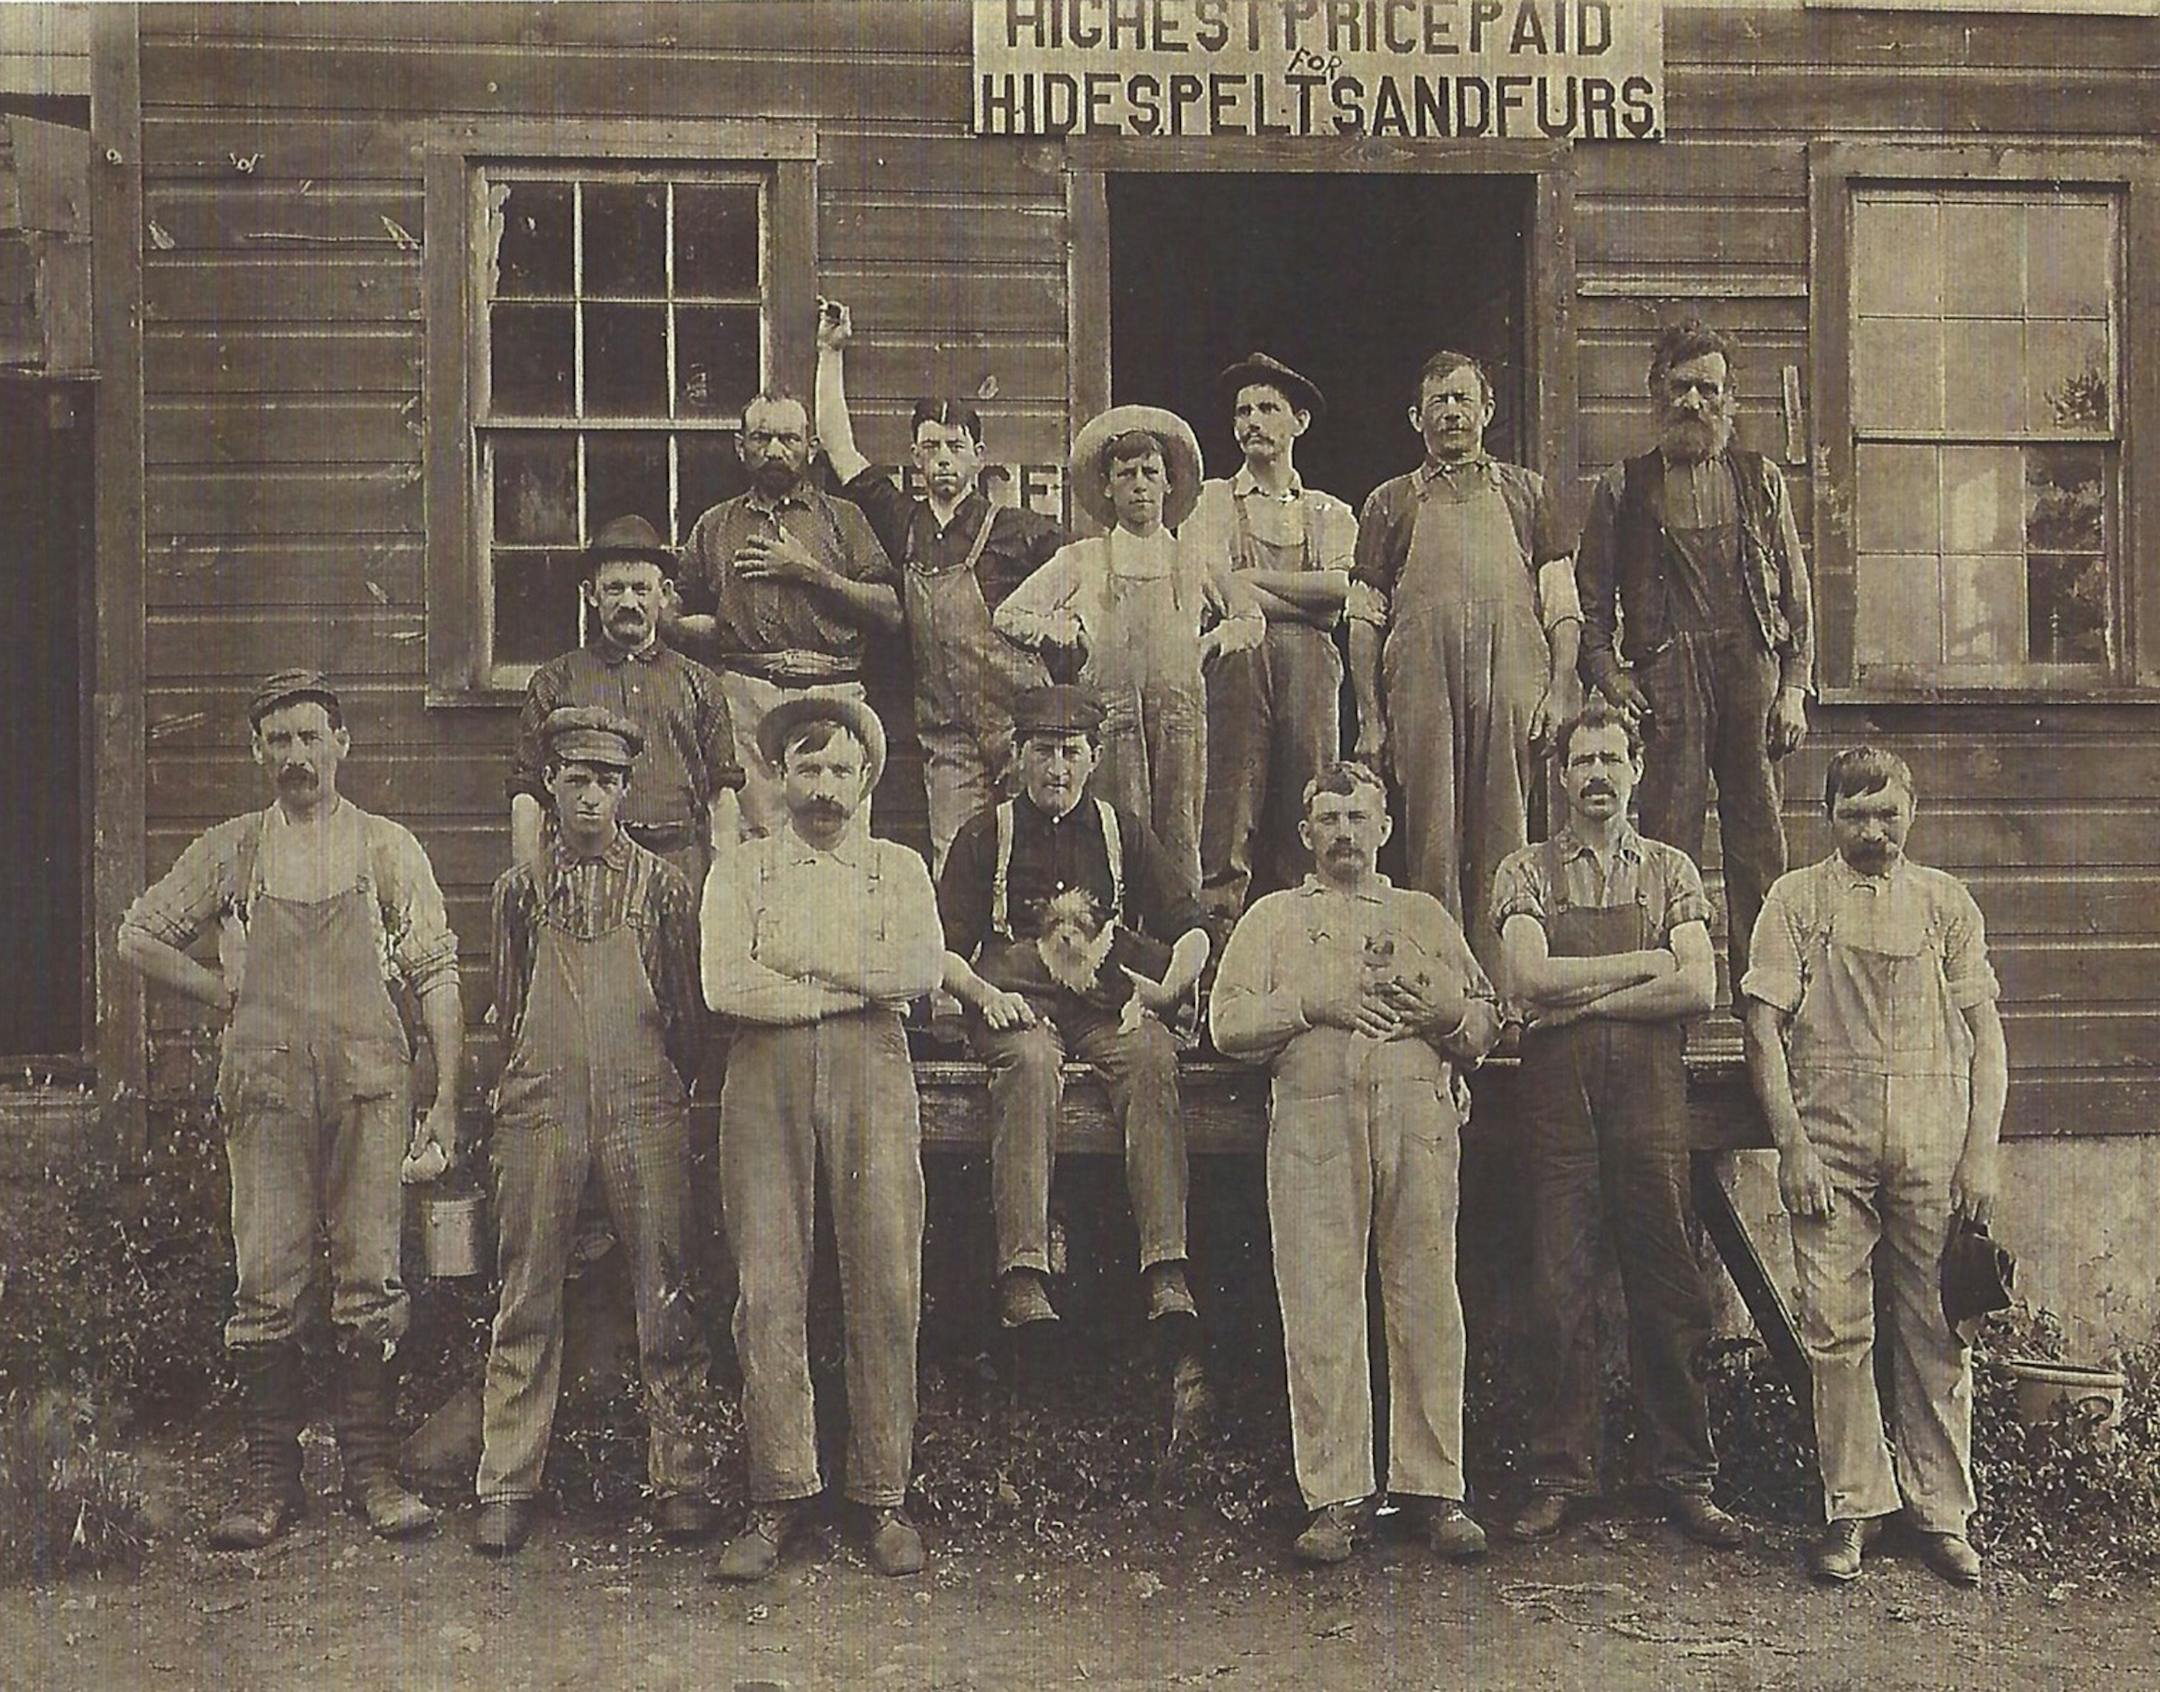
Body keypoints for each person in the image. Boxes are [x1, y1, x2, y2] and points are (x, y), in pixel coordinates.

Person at [116, 670, 460, 1548]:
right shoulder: (234, 851)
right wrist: (218, 988)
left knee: (371, 1277)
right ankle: (271, 1481)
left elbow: (436, 975)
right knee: (266, 1281)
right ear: (256, 751)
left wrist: (448, 1097)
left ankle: (371, 1472)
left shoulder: (388, 850)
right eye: (279, 741)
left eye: (312, 737)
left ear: (343, 744)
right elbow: (137, 934)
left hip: (370, 1088)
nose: (297, 757)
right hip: (266, 1089)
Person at [1210, 760, 1503, 1566]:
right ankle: (1336, 1496)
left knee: (1426, 1295)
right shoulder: (1272, 920)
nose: (1345, 833)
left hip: (1417, 1120)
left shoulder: (1422, 914)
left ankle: (1434, 1489)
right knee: (1319, 1297)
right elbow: (1225, 1026)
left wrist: (1446, 1012)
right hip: (1314, 1124)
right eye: (1329, 819)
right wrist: (1311, 1005)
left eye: (1359, 817)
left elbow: (1485, 1022)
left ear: (1384, 829)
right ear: (1306, 835)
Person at [1741, 748, 2007, 1587]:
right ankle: (1854, 1508)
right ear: (1829, 817)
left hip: (1932, 1140)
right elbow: (1761, 1032)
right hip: (1833, 1142)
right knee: (1835, 1326)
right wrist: (1792, 1145)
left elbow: (1987, 1036)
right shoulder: (1796, 901)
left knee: (1937, 1331)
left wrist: (1981, 1150)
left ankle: (1942, 1516)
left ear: (1911, 814)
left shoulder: (1944, 905)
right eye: (1856, 814)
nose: (1873, 830)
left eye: (1887, 813)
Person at [701, 695, 944, 1581]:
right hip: (763, 1079)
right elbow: (726, 985)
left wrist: (798, 966)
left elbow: (918, 971)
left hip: (874, 1078)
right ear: (780, 776)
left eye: (842, 768)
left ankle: (882, 1493)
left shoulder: (899, 870)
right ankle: (779, 1493)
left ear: (866, 779)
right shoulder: (742, 872)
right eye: (808, 766)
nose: (825, 785)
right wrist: (852, 984)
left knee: (884, 1275)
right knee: (768, 1285)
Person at [1490, 701, 1743, 1550]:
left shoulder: (1673, 870)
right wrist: (1645, 962)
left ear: (1635, 769)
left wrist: (1581, 998)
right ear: (1559, 777)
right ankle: (1561, 1474)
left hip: (1649, 1099)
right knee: (1558, 1285)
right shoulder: (1524, 870)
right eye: (1581, 760)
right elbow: (1525, 976)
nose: (1597, 775)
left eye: (1612, 759)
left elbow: (1699, 989)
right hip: (1557, 1102)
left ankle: (1685, 1475)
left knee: (1667, 1281)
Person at [472, 707, 716, 1556]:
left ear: (625, 786)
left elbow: (686, 1016)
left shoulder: (663, 889)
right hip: (542, 1104)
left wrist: (666, 1096)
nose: (590, 796)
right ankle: (506, 1481)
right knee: (526, 1286)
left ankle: (682, 1476)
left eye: (607, 780)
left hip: (644, 1103)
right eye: (575, 777)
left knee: (667, 1289)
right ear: (549, 784)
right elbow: (507, 1015)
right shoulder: (517, 893)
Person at [938, 684, 1212, 1332]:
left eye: (1069, 752)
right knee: (1032, 1066)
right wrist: (983, 995)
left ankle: (1165, 1267)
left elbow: (1192, 926)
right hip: (1017, 1003)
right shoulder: (987, 832)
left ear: (1093, 758)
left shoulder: (1123, 831)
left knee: (1150, 1056)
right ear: (1019, 756)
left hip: (1104, 1003)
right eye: (1042, 752)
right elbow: (940, 949)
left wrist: (1169, 989)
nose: (1056, 768)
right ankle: (1023, 1273)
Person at [1575, 318, 1813, 993]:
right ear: (1656, 393)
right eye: (1679, 388)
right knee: (1667, 842)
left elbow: (1797, 598)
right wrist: (1612, 677)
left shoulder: (1759, 481)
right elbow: (1591, 605)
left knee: (1758, 844)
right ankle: (1670, 1001)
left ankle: (1763, 1008)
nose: (1693, 404)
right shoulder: (1622, 489)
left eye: (1708, 389)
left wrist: (1794, 687)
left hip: (1751, 677)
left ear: (1730, 398)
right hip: (1667, 679)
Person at [1349, 350, 1581, 978]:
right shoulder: (1388, 502)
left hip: (1513, 675)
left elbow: (1562, 604)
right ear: (1415, 417)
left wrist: (1560, 690)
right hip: (1423, 679)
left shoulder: (1529, 494)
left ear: (1487, 410)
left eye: (1462, 399)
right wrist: (1370, 717)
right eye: (1438, 403)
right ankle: (1442, 986)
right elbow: (1365, 618)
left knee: (1506, 832)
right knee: (1431, 836)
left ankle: (1506, 992)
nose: (1451, 413)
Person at [813, 297, 1066, 873]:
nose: (943, 459)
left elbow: (1088, 580)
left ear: (979, 458)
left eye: (955, 447)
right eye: (931, 447)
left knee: (1031, 855)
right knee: (955, 860)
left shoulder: (1021, 532)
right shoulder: (902, 522)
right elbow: (839, 445)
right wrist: (831, 353)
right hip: (945, 735)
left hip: (1018, 726)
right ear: (915, 457)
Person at [993, 406, 1263, 894]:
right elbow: (1009, 615)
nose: (1139, 484)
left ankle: (1183, 947)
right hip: (1112, 724)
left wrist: (1211, 643)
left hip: (1181, 720)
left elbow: (1250, 619)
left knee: (1180, 835)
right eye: (1126, 474)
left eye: (1150, 473)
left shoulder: (1192, 559)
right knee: (1115, 834)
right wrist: (1062, 630)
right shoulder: (1083, 558)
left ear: (1168, 484)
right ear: (1108, 487)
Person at [672, 389, 902, 839]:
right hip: (746, 699)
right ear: (741, 446)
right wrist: (684, 626)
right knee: (751, 845)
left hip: (834, 695)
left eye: (788, 439)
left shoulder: (845, 519)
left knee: (837, 838)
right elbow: (680, 608)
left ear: (810, 448)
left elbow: (890, 611)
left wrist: (809, 571)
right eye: (761, 439)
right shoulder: (715, 525)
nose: (775, 451)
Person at [1187, 353, 1360, 930]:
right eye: (1243, 412)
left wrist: (1252, 582)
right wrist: (1304, 607)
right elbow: (1215, 587)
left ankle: (1309, 939)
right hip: (1238, 666)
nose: (1252, 421)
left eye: (1267, 408)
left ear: (1299, 423)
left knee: (1307, 803)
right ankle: (1216, 943)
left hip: (1312, 675)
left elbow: (1339, 595)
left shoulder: (1329, 511)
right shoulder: (1210, 500)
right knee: (1228, 803)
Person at [508, 515, 743, 891]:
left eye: (641, 589)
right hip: (582, 868)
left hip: (679, 864)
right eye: (614, 589)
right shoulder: (555, 681)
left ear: (664, 593)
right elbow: (528, 792)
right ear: (591, 594)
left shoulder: (700, 683)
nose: (628, 602)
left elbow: (723, 795)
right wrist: (531, 886)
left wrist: (724, 886)